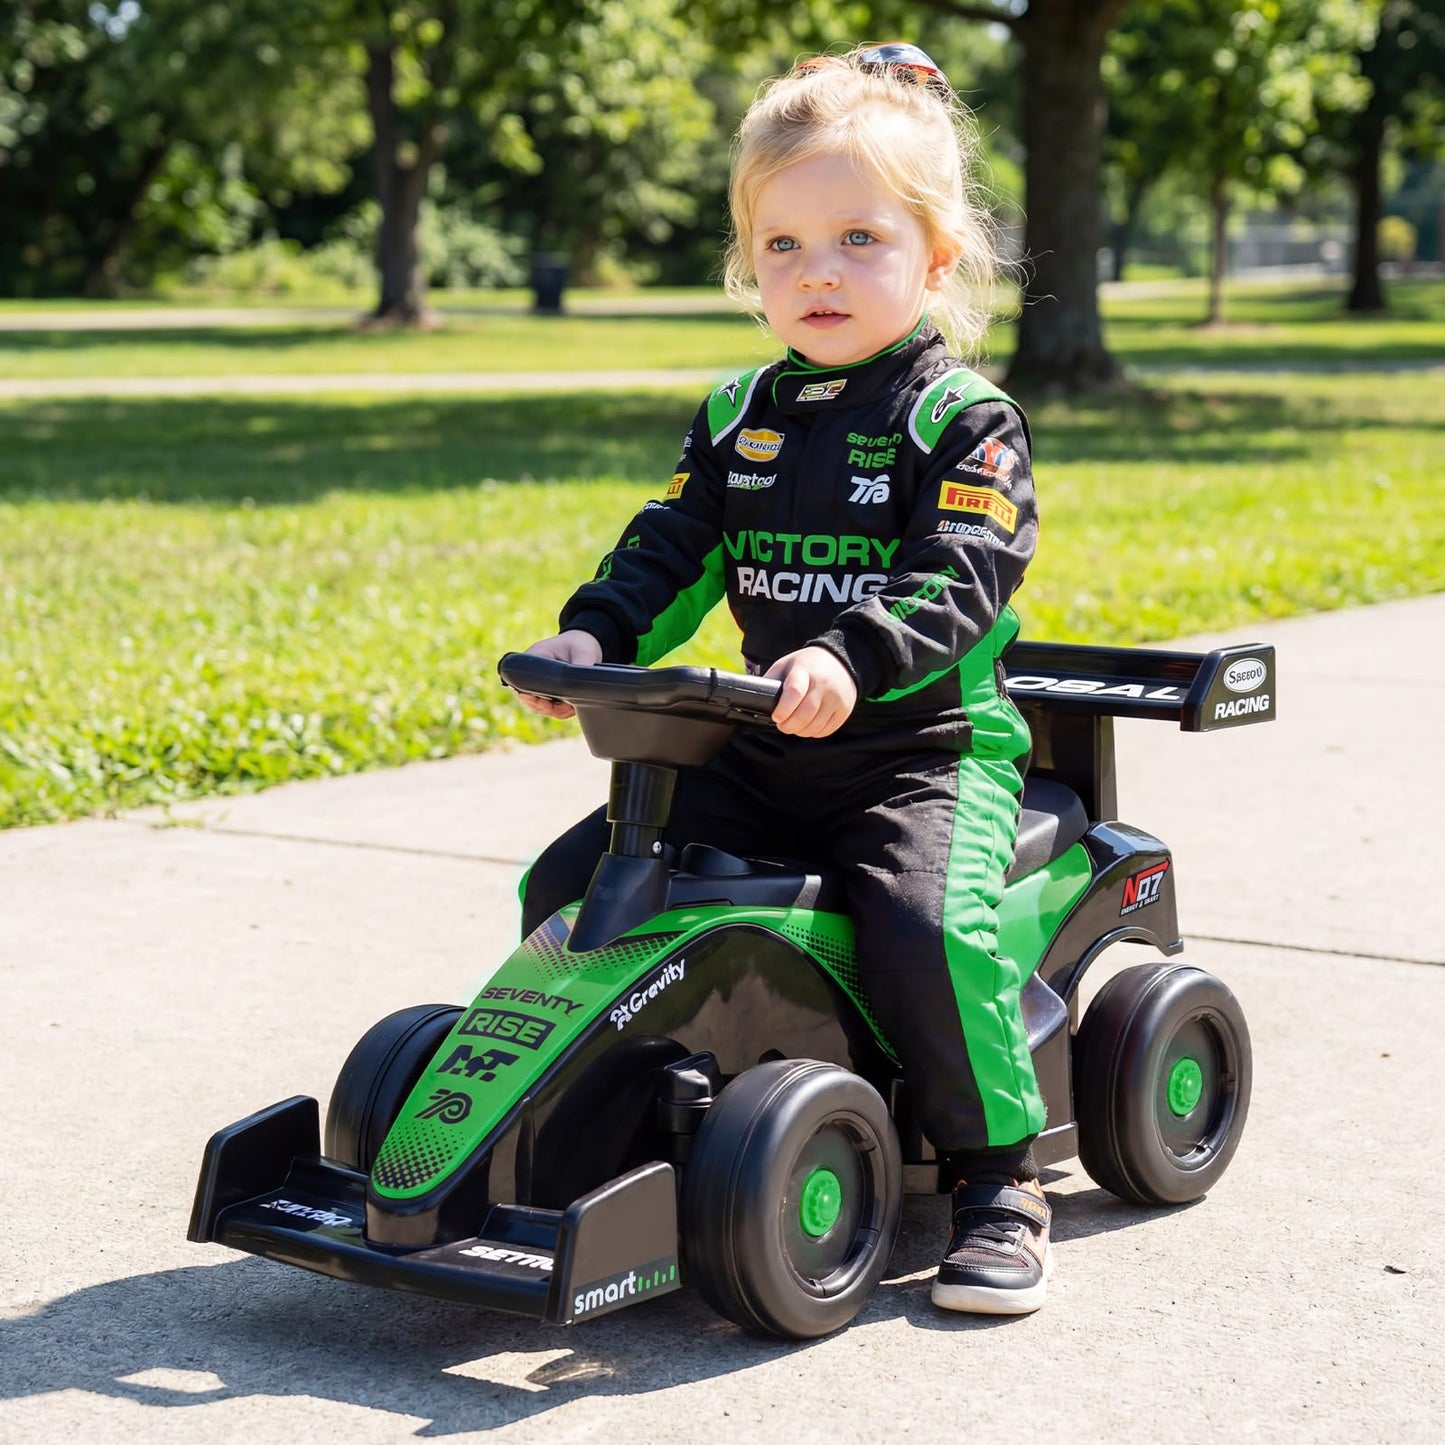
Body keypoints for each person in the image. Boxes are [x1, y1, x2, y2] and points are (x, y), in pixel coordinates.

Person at [513, 43, 1050, 1315]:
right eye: (783, 245)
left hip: (920, 755)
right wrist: (594, 636)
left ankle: (997, 1181)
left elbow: (961, 571)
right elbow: (672, 542)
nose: (816, 271)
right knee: (568, 881)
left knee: (921, 926)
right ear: (748, 266)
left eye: (857, 237)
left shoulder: (961, 417)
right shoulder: (737, 412)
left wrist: (847, 655)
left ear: (933, 258)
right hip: (763, 749)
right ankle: (591, 1114)